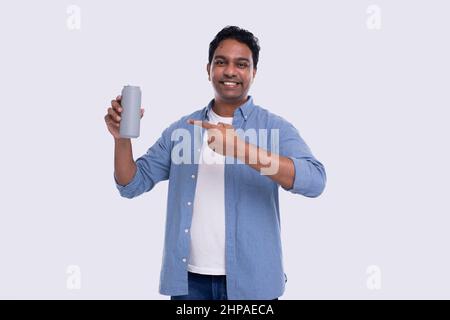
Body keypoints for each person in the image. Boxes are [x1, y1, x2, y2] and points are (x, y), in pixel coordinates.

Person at [104, 26, 326, 300]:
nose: (230, 71)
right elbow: (131, 184)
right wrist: (120, 139)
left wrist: (242, 149)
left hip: (254, 283)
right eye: (221, 62)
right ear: (208, 69)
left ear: (254, 72)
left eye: (241, 64)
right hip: (189, 285)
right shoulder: (182, 131)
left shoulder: (274, 129)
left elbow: (315, 181)